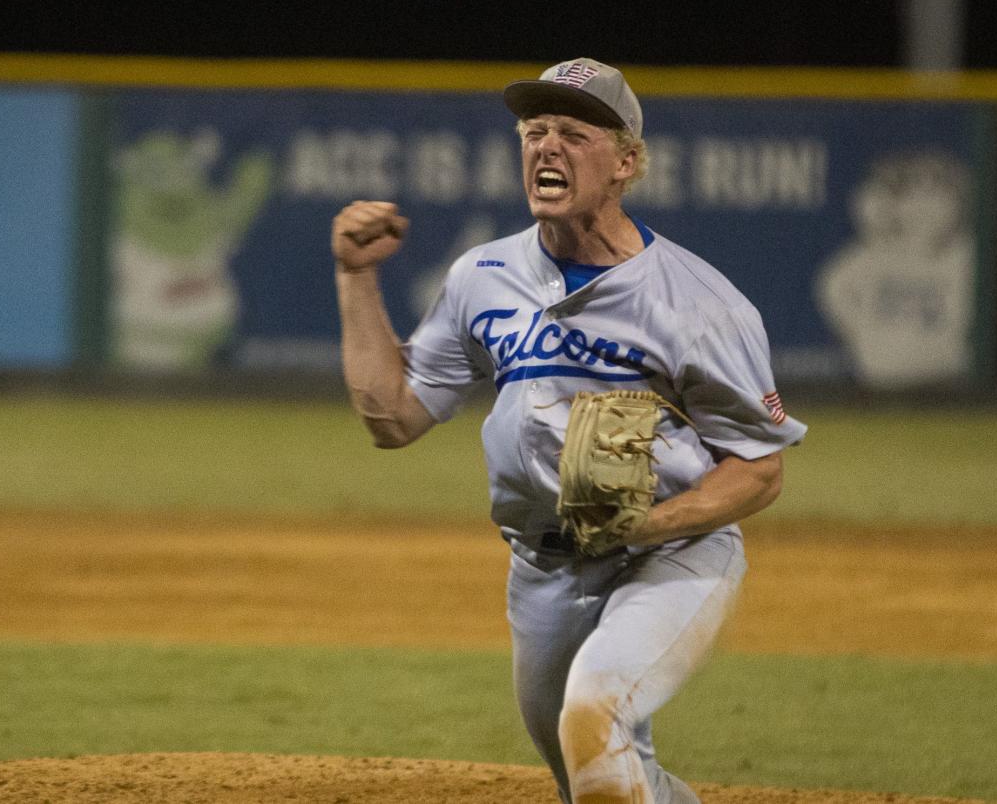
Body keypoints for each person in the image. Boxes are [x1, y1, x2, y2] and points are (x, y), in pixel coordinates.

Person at [330, 58, 807, 804]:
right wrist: (356, 278)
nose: (547, 146)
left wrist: (648, 526)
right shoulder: (482, 277)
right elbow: (393, 418)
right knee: (595, 774)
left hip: (672, 558)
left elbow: (759, 468)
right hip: (542, 570)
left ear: (625, 162)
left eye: (573, 133)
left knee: (594, 713)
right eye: (534, 130)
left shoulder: (701, 304)